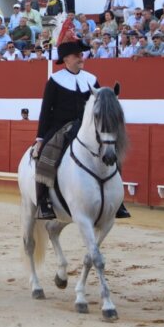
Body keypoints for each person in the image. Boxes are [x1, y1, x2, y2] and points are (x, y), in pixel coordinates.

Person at [30, 30, 131, 220]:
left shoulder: (91, 79)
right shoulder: (55, 80)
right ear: (66, 59)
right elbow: (46, 111)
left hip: (87, 127)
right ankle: (43, 201)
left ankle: (117, 201)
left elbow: (100, 106)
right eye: (77, 55)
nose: (81, 57)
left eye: (81, 54)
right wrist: (40, 138)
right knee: (45, 154)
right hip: (60, 127)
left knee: (111, 152)